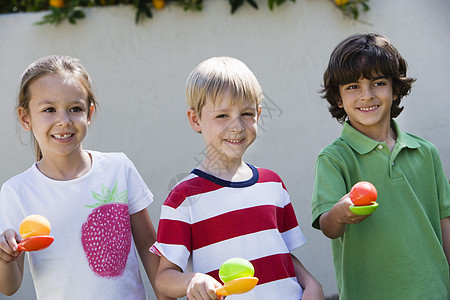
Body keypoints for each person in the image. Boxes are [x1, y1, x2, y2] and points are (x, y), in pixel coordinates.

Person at [150, 56, 324, 300]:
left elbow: (282, 255)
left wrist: (311, 284)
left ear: (259, 114)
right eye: (222, 115)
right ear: (195, 119)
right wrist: (193, 281)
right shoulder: (183, 197)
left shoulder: (273, 183)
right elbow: (164, 278)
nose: (237, 126)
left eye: (246, 113)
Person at [0, 55, 170, 299]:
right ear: (25, 118)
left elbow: (149, 249)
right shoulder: (16, 191)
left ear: (89, 113)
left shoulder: (118, 168)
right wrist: (5, 257)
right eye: (49, 109)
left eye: (75, 109)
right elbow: (9, 287)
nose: (63, 120)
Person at [311, 33, 450, 299]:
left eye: (378, 83)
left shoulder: (425, 152)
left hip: (434, 291)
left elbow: (445, 223)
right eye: (353, 86)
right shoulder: (334, 158)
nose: (367, 95)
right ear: (338, 98)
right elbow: (328, 226)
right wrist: (340, 213)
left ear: (395, 89)